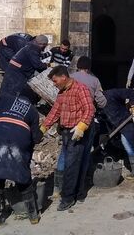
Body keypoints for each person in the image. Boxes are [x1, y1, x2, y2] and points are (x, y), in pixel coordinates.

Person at [0, 94, 43, 228]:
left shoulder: (4, 98)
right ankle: (33, 216)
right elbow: (35, 138)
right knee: (21, 175)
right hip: (20, 142)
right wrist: (40, 133)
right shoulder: (33, 112)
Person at [40, 66, 95, 211]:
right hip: (65, 132)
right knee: (74, 163)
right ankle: (79, 193)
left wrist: (81, 126)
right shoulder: (62, 93)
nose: (54, 83)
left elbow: (89, 109)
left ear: (63, 77)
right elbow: (55, 111)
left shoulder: (80, 89)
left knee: (72, 165)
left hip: (76, 132)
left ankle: (68, 198)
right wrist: (43, 128)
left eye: (55, 80)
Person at [52, 56, 106, 196]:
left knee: (64, 153)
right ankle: (81, 185)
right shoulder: (94, 80)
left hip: (66, 121)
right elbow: (101, 102)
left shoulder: (69, 78)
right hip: (84, 122)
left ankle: (58, 186)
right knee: (83, 153)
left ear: (77, 66)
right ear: (88, 67)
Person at [101, 88, 134, 177]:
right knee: (113, 144)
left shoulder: (111, 93)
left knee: (129, 145)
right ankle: (117, 160)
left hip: (124, 122)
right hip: (112, 126)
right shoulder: (95, 103)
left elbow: (130, 92)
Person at [0, 35, 49, 99]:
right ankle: (7, 105)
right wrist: (47, 66)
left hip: (12, 71)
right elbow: (38, 65)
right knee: (13, 91)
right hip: (17, 73)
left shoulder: (29, 46)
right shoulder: (33, 49)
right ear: (42, 44)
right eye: (45, 45)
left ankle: (1, 104)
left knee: (6, 89)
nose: (44, 47)